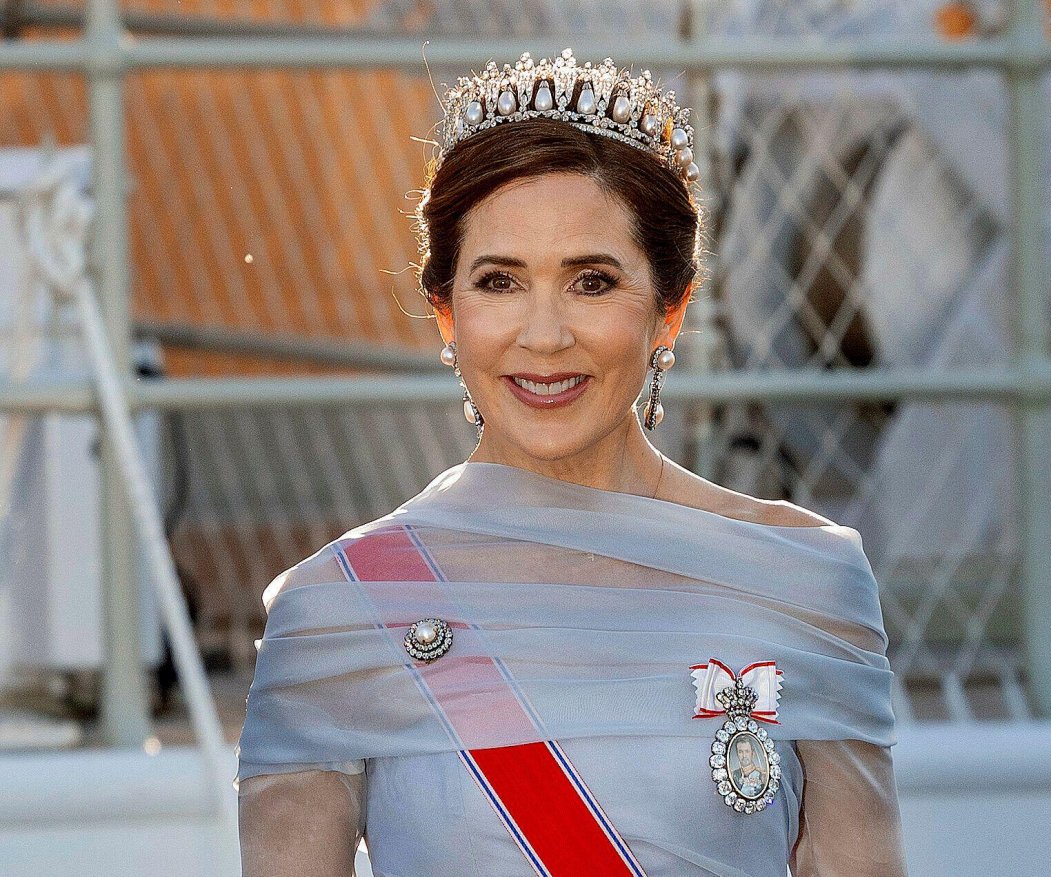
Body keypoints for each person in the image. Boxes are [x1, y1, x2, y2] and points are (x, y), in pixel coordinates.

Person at [235, 48, 908, 877]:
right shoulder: (342, 611)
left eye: (591, 281)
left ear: (670, 309)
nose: (545, 335)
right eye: (499, 282)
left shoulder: (800, 578)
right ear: (446, 313)